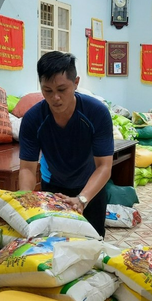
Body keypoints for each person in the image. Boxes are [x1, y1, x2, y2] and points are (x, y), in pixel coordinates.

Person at [18, 51, 114, 238]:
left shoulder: (97, 113)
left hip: (90, 189)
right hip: (53, 187)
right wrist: (24, 200)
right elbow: (27, 169)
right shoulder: (33, 119)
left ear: (76, 83)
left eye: (62, 89)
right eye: (48, 91)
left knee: (91, 245)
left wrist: (82, 199)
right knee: (54, 243)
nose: (55, 98)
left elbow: (104, 166)